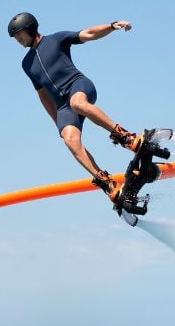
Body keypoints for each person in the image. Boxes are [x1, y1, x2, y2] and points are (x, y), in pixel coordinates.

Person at [8, 12, 145, 202]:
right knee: (69, 138)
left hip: (78, 86)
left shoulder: (56, 39)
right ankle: (107, 182)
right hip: (62, 105)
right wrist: (57, 122)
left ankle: (125, 136)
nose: (17, 39)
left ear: (30, 28)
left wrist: (112, 26)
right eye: (15, 37)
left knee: (77, 103)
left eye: (19, 34)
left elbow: (89, 33)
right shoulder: (26, 64)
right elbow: (43, 95)